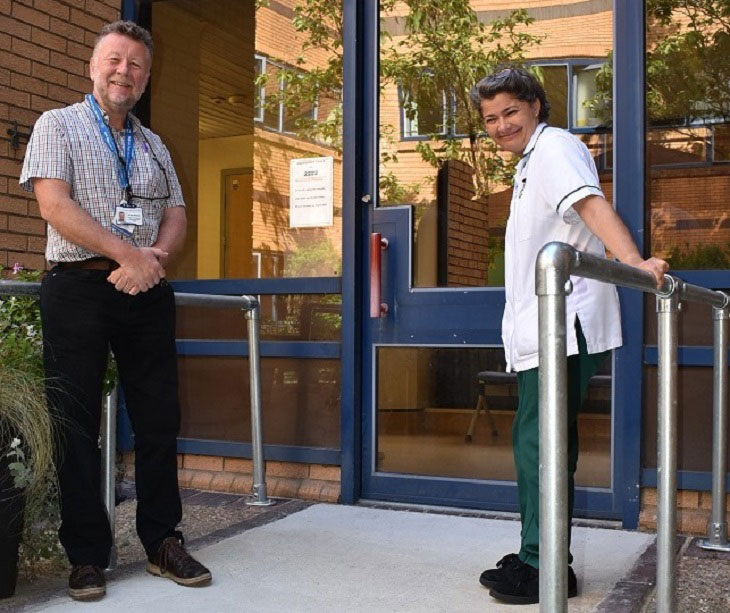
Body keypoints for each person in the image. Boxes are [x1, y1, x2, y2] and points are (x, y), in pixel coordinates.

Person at [20, 20, 211, 601]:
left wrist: (151, 259)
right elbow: (54, 206)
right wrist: (127, 253)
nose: (124, 70)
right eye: (115, 59)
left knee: (159, 418)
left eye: (136, 64)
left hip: (145, 290)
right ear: (93, 66)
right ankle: (86, 555)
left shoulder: (153, 145)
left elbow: (176, 212)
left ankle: (162, 541)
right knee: (75, 418)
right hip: (78, 288)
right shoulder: (57, 125)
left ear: (146, 77)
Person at [469, 67, 668, 605]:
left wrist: (634, 263)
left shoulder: (554, 148)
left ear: (535, 105)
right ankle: (540, 552)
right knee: (541, 442)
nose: (501, 125)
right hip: (546, 326)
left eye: (510, 111)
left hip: (564, 325)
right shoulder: (532, 161)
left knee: (541, 444)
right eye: (491, 118)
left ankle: (545, 565)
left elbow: (590, 206)